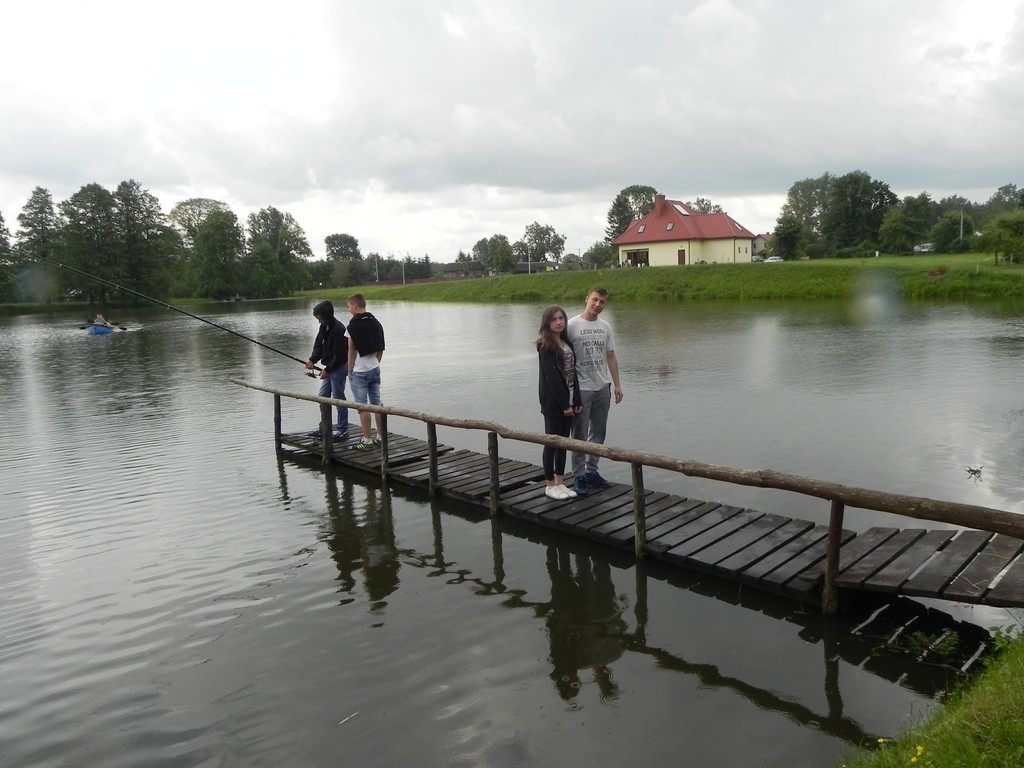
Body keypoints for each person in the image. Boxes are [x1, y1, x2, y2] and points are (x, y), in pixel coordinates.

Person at [566, 287, 623, 496]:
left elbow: (611, 356)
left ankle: (592, 471)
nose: (598, 305)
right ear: (587, 299)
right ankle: (579, 475)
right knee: (579, 434)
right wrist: (567, 392)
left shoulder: (605, 327)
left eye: (602, 302)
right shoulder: (571, 326)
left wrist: (617, 385)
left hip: (602, 387)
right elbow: (563, 358)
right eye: (595, 300)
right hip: (582, 389)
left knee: (598, 432)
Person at [537, 305, 581, 500]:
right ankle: (549, 485)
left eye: (561, 318)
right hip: (554, 403)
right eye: (554, 319)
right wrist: (564, 405)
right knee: (551, 442)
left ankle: (560, 482)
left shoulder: (566, 343)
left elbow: (573, 373)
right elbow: (552, 378)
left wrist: (576, 399)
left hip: (569, 400)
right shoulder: (545, 346)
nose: (559, 322)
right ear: (547, 323)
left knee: (563, 443)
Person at [345, 294, 386, 450]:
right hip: (375, 368)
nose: (349, 309)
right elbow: (381, 348)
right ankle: (381, 437)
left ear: (355, 306)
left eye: (349, 306)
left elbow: (351, 352)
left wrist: (350, 370)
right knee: (377, 404)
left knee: (362, 407)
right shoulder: (376, 322)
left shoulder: (352, 326)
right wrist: (375, 363)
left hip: (359, 371)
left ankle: (367, 440)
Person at [305, 300, 349, 440]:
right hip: (330, 367)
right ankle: (324, 427)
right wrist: (312, 360)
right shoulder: (324, 327)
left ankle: (342, 430)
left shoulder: (339, 329)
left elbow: (341, 355)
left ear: (327, 316)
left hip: (339, 367)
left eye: (320, 318)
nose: (319, 321)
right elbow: (319, 346)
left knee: (338, 399)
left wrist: (328, 370)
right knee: (323, 397)